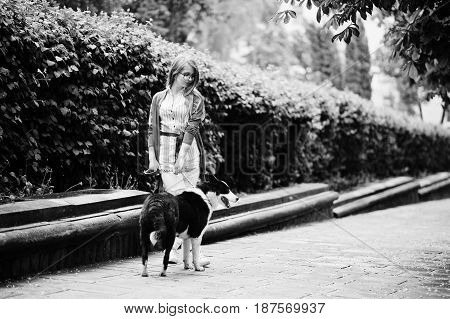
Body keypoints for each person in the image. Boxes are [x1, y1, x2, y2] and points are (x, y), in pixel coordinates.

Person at [145, 54, 208, 265]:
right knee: (175, 199)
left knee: (190, 203)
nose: (189, 79)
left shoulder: (196, 98)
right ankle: (174, 248)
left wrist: (181, 157)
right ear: (174, 73)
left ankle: (180, 252)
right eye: (186, 75)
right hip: (165, 150)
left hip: (189, 153)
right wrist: (152, 158)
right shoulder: (159, 98)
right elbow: (152, 128)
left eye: (193, 76)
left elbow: (192, 128)